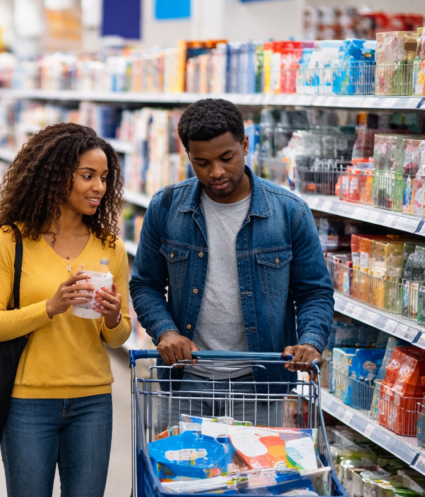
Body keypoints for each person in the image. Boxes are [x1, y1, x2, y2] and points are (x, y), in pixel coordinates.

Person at [0, 123, 130, 497]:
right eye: (87, 175)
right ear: (56, 174)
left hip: (92, 401)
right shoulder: (10, 241)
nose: (98, 187)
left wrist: (112, 318)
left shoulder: (109, 245)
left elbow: (121, 336)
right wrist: (51, 305)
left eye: (104, 178)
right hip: (28, 404)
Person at [129, 98, 334, 432]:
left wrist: (310, 341)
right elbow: (145, 284)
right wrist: (165, 331)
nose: (216, 172)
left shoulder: (289, 212)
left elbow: (314, 292)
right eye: (202, 162)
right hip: (186, 381)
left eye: (226, 158)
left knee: (252, 481)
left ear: (245, 144)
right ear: (188, 156)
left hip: (259, 384)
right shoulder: (165, 207)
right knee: (179, 479)